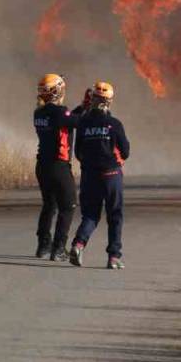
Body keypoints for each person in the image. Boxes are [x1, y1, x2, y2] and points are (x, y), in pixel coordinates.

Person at [69, 81, 130, 269]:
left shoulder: (83, 124)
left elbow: (77, 152)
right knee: (115, 216)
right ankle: (114, 257)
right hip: (112, 176)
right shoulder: (114, 124)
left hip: (89, 176)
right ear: (109, 101)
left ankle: (78, 244)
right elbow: (125, 152)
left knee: (90, 214)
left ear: (92, 99)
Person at [33, 74, 82, 260]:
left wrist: (82, 107)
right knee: (68, 206)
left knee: (49, 205)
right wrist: (90, 109)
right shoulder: (60, 113)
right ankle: (59, 248)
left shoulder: (39, 112)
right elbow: (77, 121)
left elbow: (69, 118)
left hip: (42, 166)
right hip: (59, 166)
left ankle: (43, 246)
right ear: (56, 91)